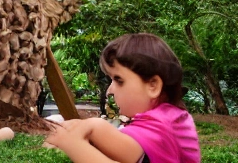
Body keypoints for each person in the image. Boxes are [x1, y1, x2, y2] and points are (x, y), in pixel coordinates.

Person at [45, 33, 201, 163]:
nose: (110, 91)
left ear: (153, 85)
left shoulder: (164, 122)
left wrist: (71, 143)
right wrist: (87, 127)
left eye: (119, 80)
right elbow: (123, 150)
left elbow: (126, 153)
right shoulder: (167, 117)